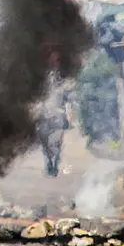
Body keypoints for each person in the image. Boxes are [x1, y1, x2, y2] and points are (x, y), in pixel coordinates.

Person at [36, 49, 73, 177]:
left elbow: (68, 99)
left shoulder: (63, 80)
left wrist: (69, 116)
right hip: (44, 115)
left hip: (58, 116)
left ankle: (53, 164)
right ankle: (49, 162)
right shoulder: (40, 79)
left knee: (56, 144)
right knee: (44, 143)